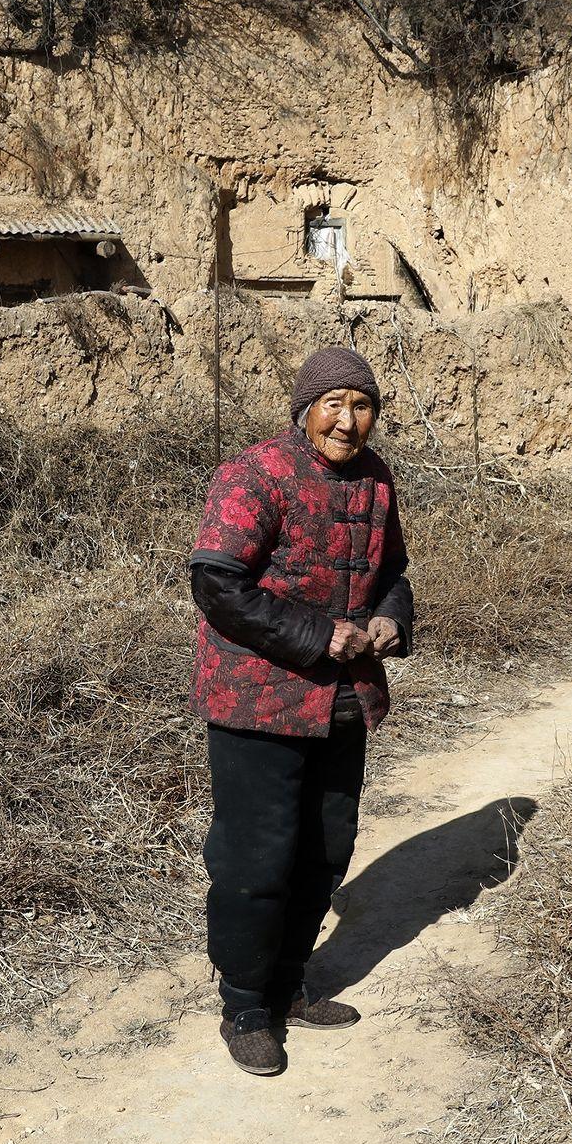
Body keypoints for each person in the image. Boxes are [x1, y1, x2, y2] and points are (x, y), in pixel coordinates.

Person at [187, 345, 414, 1077]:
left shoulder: (376, 479)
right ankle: (246, 1004)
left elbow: (393, 571)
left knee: (324, 848)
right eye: (334, 404)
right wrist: (320, 634)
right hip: (258, 699)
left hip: (343, 701)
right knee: (256, 859)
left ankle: (288, 987)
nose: (349, 422)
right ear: (304, 410)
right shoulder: (255, 474)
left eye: (363, 405)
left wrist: (389, 619)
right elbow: (217, 581)